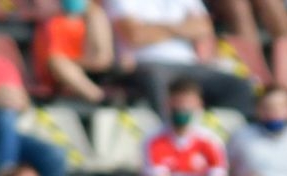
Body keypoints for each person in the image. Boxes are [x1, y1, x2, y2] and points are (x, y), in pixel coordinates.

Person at [0, 1, 68, 176]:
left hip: (1, 134)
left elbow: (23, 105)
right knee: (0, 114)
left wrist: (16, 100)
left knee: (53, 156)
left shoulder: (1, 64)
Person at [110, 0, 258, 118]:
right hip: (146, 64)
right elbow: (136, 36)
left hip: (191, 64)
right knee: (156, 79)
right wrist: (183, 28)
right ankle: (170, 135)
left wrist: (154, 28)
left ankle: (234, 140)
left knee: (238, 85)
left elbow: (204, 28)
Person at [32, 0, 115, 105]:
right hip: (55, 72)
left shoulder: (94, 15)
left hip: (86, 66)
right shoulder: (49, 16)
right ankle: (100, 98)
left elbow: (103, 60)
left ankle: (102, 98)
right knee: (58, 62)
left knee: (96, 16)